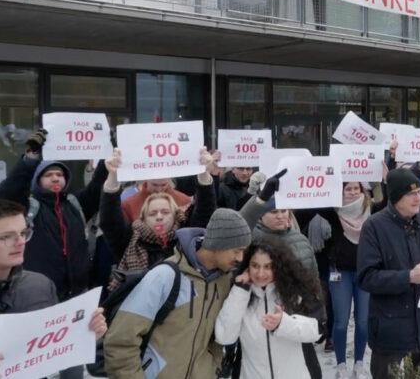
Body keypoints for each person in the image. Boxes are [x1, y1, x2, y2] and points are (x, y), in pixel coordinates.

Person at [103, 208, 252, 378]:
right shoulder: (165, 276)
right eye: (237, 250)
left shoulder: (225, 280)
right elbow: (121, 341)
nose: (240, 258)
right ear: (218, 244)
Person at [357, 168, 420, 379]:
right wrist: (407, 277)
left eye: (419, 191)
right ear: (396, 197)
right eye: (411, 194)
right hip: (392, 333)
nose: (418, 197)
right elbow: (366, 277)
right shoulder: (374, 226)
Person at [0, 198, 108, 378]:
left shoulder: (38, 286)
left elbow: (58, 354)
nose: (20, 242)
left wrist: (84, 335)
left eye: (23, 233)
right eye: (6, 237)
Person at [0, 130, 107, 302]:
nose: (56, 178)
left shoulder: (74, 204)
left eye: (60, 174)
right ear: (37, 181)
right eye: (49, 175)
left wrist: (108, 154)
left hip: (77, 294)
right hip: (38, 295)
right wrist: (31, 159)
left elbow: (97, 186)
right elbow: (9, 191)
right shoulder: (28, 207)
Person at [299, 179, 388, 379]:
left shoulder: (370, 209)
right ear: (341, 190)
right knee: (340, 322)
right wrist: (320, 185)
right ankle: (341, 364)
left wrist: (383, 180)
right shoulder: (334, 210)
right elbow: (307, 210)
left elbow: (387, 203)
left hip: (365, 273)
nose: (353, 192)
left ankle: (358, 363)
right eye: (348, 188)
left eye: (356, 188)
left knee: (363, 322)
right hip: (339, 272)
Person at [98, 148, 217, 289]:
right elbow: (110, 223)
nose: (159, 217)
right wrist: (112, 176)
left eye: (165, 212)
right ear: (142, 218)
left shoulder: (184, 240)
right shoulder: (131, 241)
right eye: (152, 213)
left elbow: (205, 213)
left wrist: (204, 173)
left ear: (175, 216)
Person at [215, 238, 325, 379]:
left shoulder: (296, 290)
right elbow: (224, 336)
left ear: (279, 266)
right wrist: (241, 290)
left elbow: (318, 331)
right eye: (255, 266)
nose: (260, 274)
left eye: (268, 267)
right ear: (247, 265)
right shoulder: (238, 294)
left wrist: (284, 324)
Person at [239, 170, 318, 275]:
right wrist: (261, 198)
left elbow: (313, 278)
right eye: (273, 212)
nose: (280, 216)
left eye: (284, 211)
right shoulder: (251, 237)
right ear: (261, 215)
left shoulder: (302, 240)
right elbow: (240, 225)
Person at [121, 178, 193, 223]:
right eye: (154, 185)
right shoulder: (129, 204)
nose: (159, 190)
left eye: (163, 185)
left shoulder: (184, 200)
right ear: (146, 179)